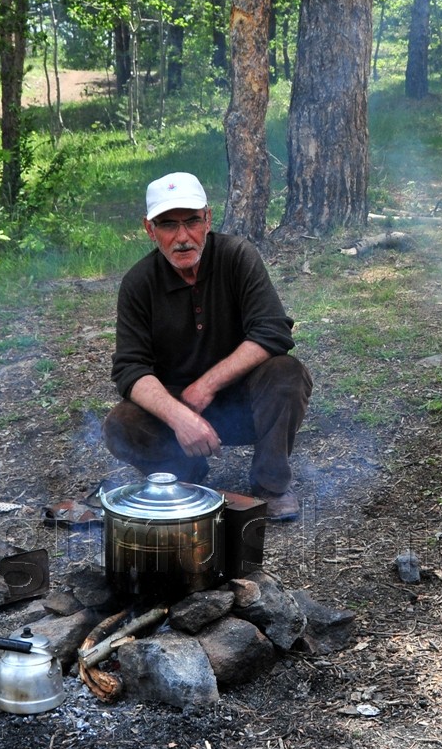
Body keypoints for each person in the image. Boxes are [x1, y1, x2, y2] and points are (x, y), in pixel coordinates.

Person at [103, 172, 312, 520]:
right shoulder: (139, 283)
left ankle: (271, 485)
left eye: (192, 222)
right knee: (120, 423)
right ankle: (183, 478)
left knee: (287, 373)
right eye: (168, 225)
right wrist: (181, 416)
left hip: (243, 403)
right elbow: (130, 368)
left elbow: (273, 332)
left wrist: (207, 385)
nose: (182, 238)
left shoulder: (236, 257)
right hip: (177, 412)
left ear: (208, 219)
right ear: (149, 229)